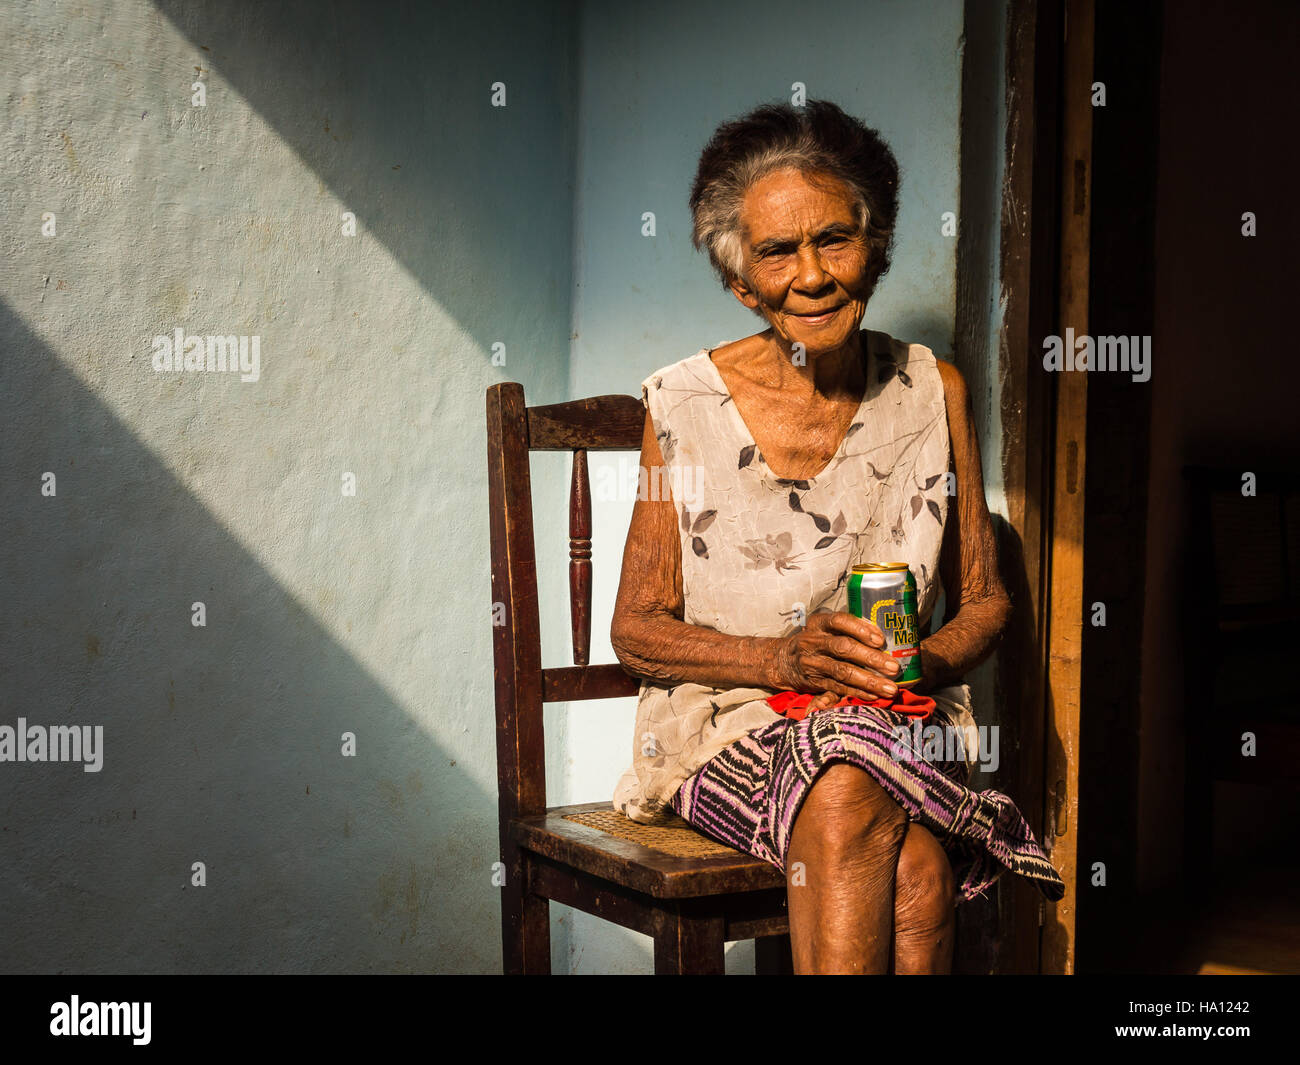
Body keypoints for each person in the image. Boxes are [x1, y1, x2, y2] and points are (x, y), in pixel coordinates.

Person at [609, 99, 1064, 975]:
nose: (811, 275)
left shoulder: (935, 390)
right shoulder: (681, 406)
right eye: (778, 251)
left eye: (834, 239)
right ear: (743, 283)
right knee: (912, 861)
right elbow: (637, 628)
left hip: (897, 717)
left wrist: (909, 669)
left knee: (897, 836)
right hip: (731, 726)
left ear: (878, 247)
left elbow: (985, 599)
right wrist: (784, 661)